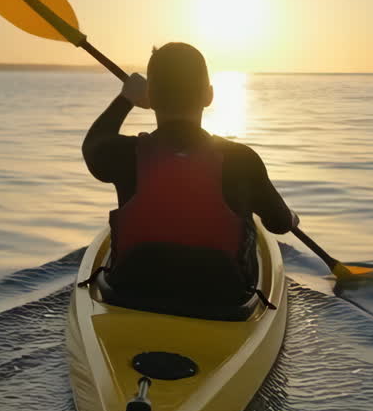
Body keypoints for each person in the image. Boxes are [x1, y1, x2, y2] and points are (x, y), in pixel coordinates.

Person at [82, 42, 298, 313]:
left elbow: (92, 145)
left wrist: (125, 99)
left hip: (131, 292)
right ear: (209, 96)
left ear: (150, 99)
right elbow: (278, 223)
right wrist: (291, 217)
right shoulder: (241, 159)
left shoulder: (124, 154)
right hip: (224, 302)